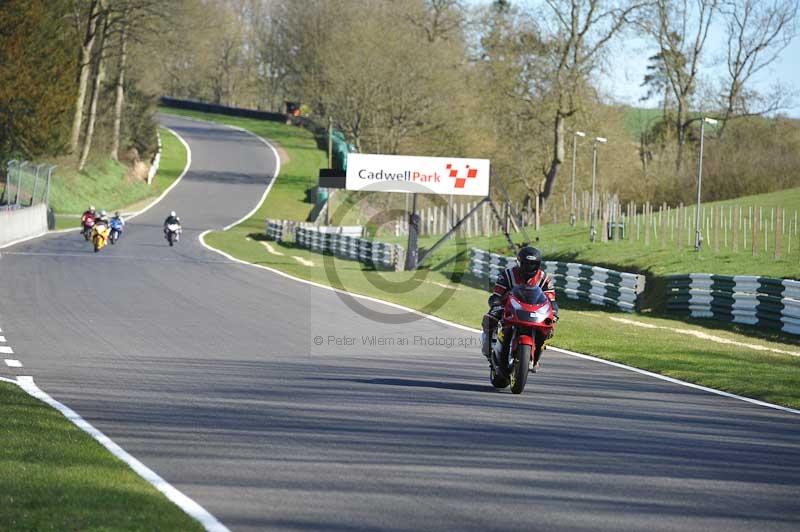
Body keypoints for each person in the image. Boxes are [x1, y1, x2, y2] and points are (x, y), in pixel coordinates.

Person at [480, 245, 558, 372]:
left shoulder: (544, 278)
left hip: (534, 311)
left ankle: (536, 357)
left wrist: (553, 313)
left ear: (538, 264)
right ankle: (489, 351)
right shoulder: (508, 274)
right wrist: (496, 304)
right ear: (519, 262)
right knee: (490, 319)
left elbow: (551, 299)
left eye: (533, 264)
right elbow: (497, 294)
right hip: (510, 308)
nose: (529, 267)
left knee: (549, 329)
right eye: (526, 263)